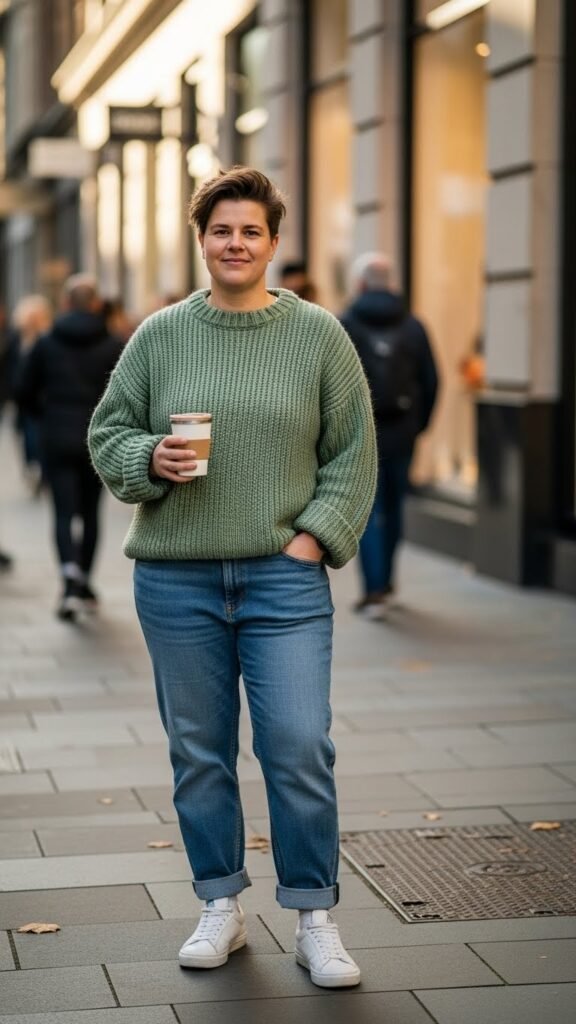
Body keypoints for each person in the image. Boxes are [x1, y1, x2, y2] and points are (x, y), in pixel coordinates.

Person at [89, 167, 376, 988]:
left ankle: (315, 916)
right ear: (202, 239)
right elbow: (109, 434)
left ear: (274, 243)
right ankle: (220, 902)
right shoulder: (160, 336)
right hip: (176, 583)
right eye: (222, 230)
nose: (236, 243)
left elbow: (352, 451)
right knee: (200, 753)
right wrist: (149, 458)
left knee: (296, 745)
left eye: (252, 231)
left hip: (284, 582)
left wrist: (316, 539)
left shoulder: (319, 334)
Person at [17, 274, 123, 620]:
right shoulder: (112, 344)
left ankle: (69, 579)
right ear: (94, 304)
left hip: (57, 437)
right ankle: (85, 580)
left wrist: (43, 417)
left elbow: (24, 389)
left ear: (65, 304)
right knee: (91, 513)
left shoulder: (47, 342)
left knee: (63, 513)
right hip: (98, 441)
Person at [340, 253, 438, 616]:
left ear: (360, 284)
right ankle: (389, 581)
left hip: (362, 433)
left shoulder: (345, 323)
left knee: (369, 509)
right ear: (391, 284)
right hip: (403, 432)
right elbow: (431, 381)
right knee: (395, 505)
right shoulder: (414, 326)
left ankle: (374, 590)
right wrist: (418, 425)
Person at [10, 294, 53, 493]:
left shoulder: (49, 339)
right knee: (28, 438)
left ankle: (42, 473)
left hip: (44, 401)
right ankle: (32, 468)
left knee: (40, 438)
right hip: (25, 401)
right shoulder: (16, 340)